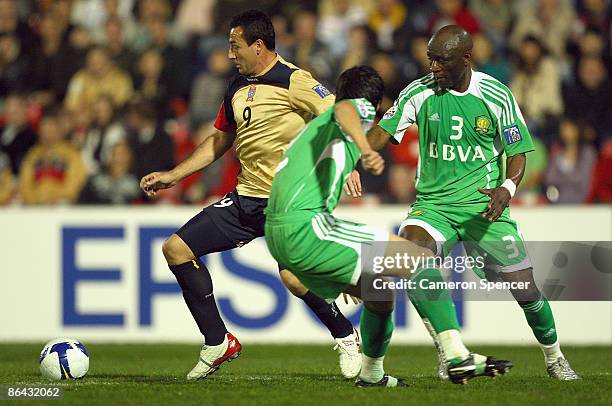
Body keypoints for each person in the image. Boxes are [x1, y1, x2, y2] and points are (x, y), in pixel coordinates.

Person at [140, 10, 360, 381]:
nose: (229, 54)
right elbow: (220, 140)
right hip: (247, 199)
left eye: (234, 46)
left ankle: (346, 335)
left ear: (258, 46)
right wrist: (174, 175)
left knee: (293, 279)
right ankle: (218, 342)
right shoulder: (237, 87)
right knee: (176, 249)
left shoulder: (295, 81)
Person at [265, 65, 511, 387]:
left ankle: (371, 375)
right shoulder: (354, 109)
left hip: (279, 233)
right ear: (377, 105)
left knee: (379, 292)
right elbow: (346, 109)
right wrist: (366, 150)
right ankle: (456, 355)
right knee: (419, 260)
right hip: (308, 228)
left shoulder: (317, 130)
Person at [365, 25, 581, 380]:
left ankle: (555, 357)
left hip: (485, 208)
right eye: (430, 59)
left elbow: (517, 152)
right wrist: (352, 141)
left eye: (441, 60)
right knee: (411, 257)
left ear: (466, 58)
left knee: (525, 288)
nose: (433, 67)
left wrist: (507, 189)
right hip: (433, 206)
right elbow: (378, 137)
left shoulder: (496, 95)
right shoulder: (418, 92)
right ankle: (449, 351)